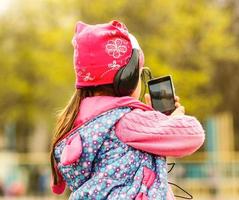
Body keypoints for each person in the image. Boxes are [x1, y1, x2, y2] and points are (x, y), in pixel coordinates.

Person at [50, 20, 205, 200]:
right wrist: (173, 120)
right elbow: (193, 134)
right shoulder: (126, 121)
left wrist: (153, 119)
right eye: (140, 74)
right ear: (127, 78)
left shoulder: (80, 123)